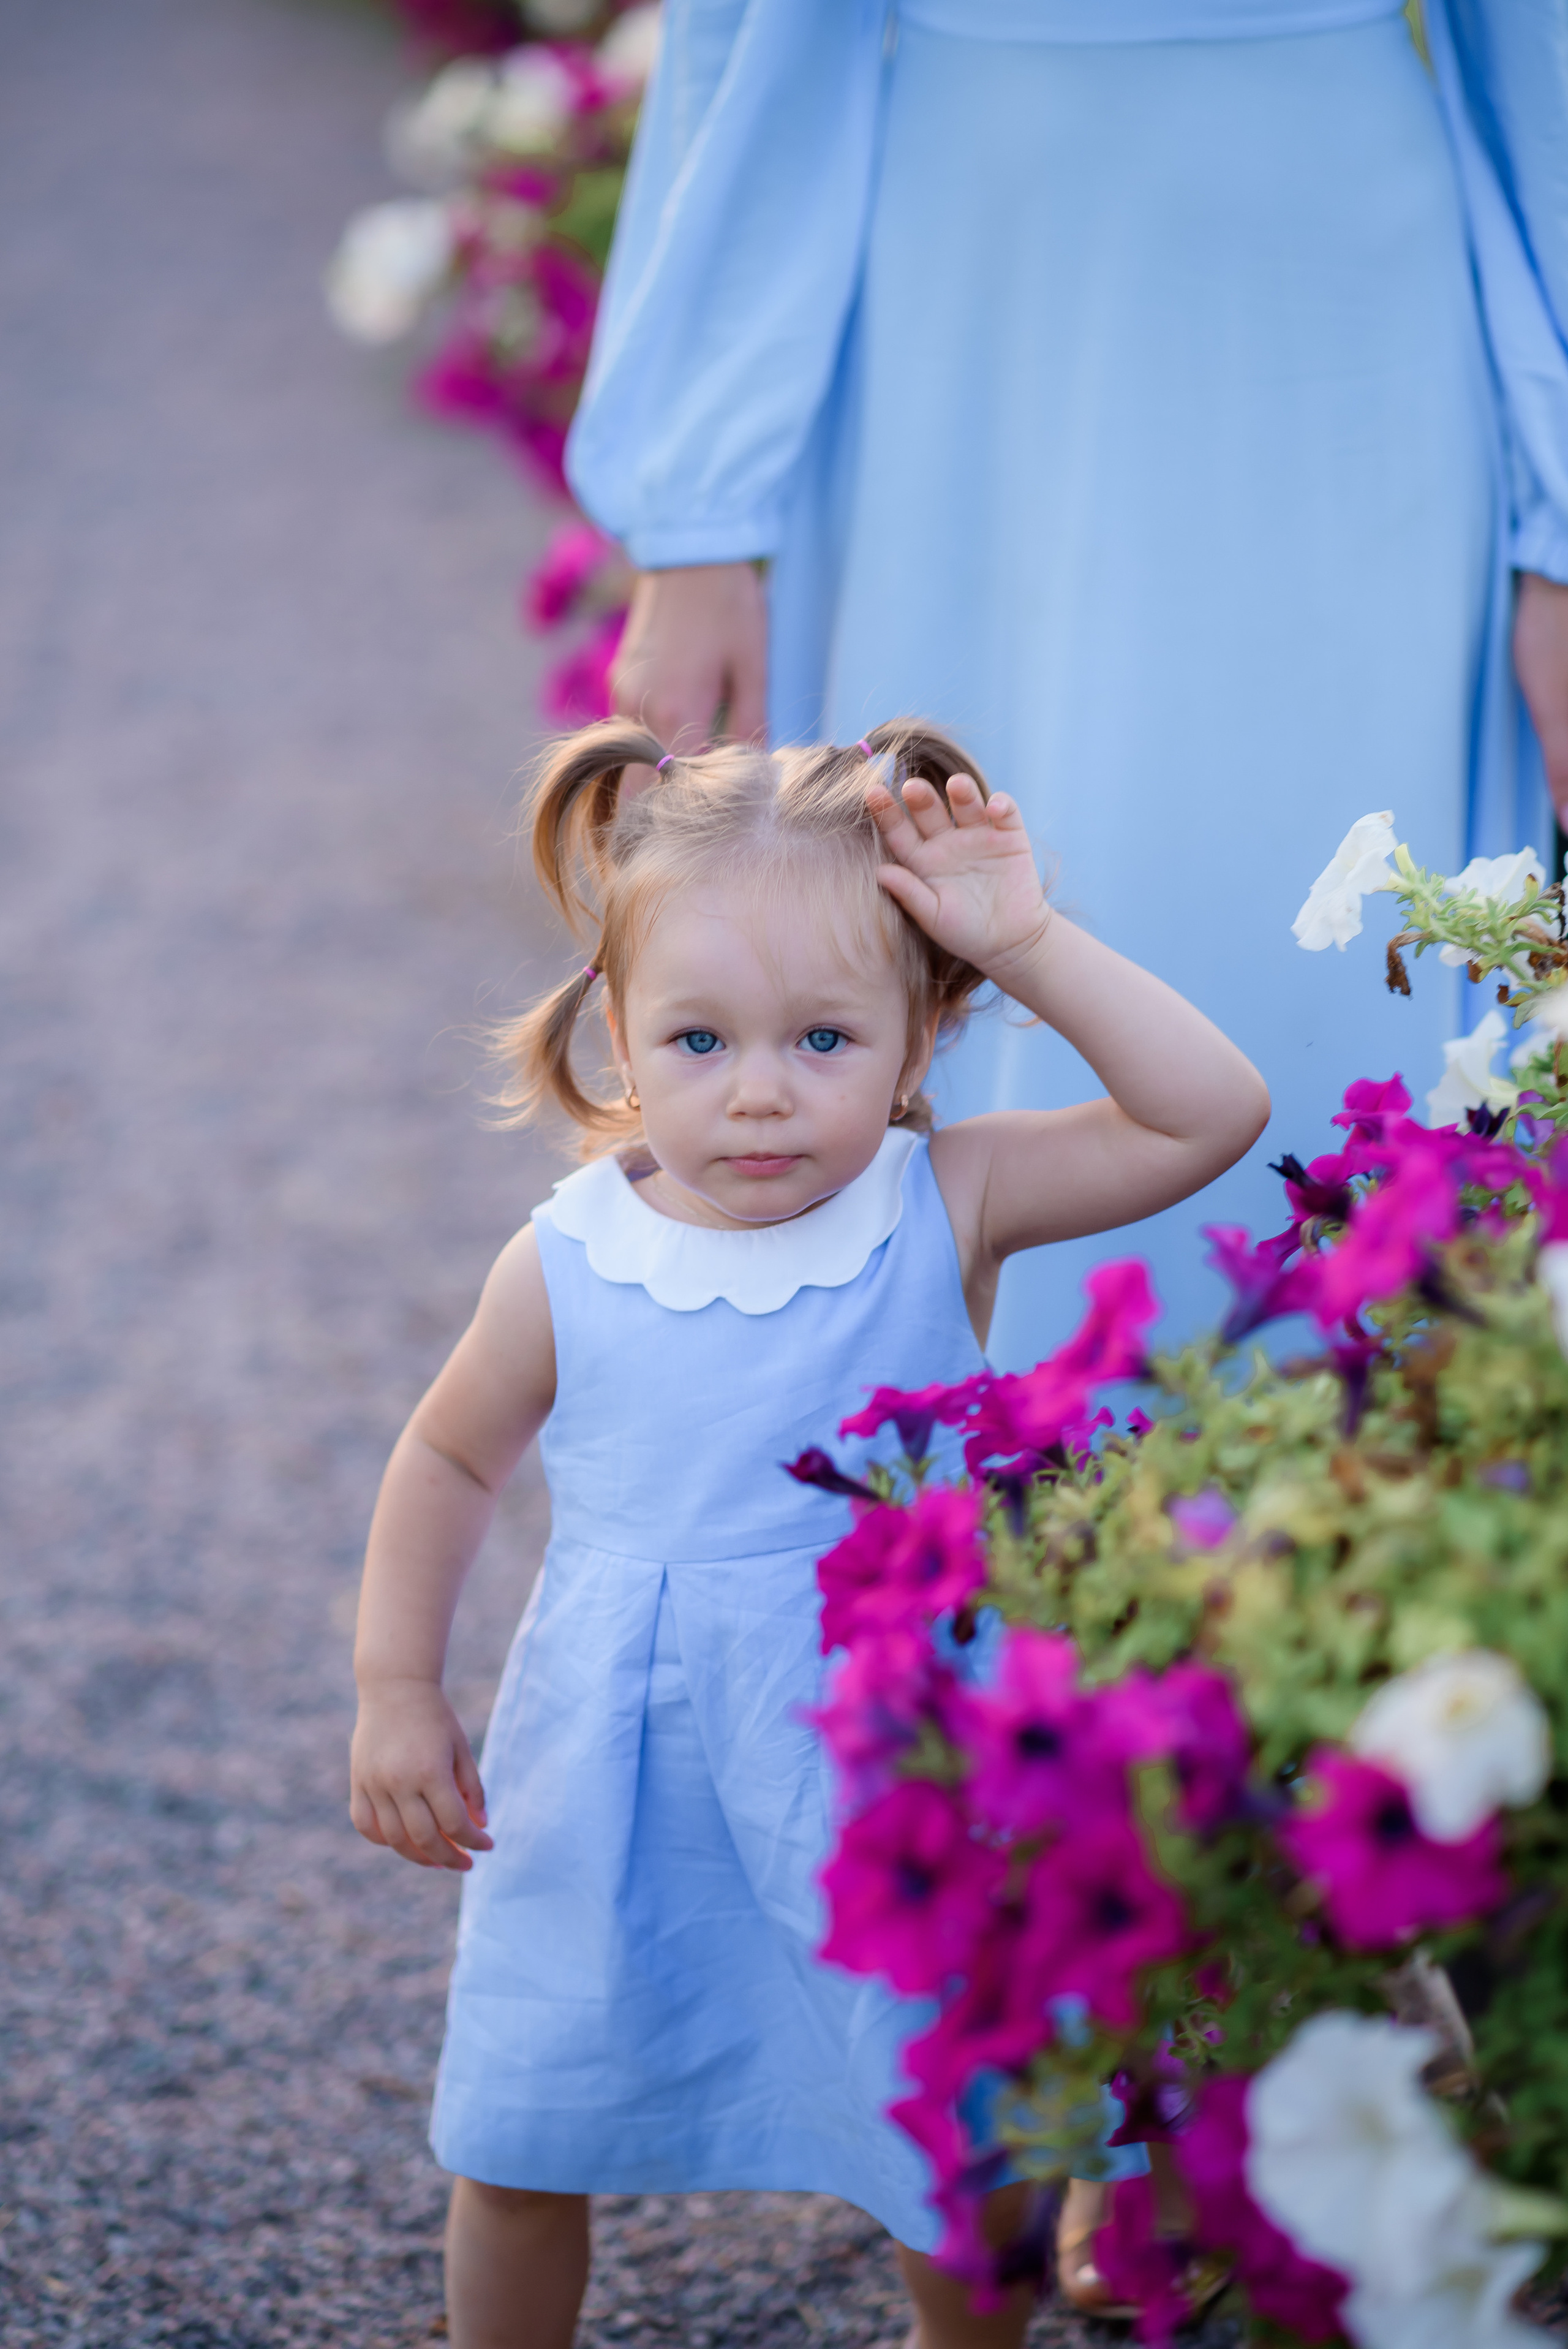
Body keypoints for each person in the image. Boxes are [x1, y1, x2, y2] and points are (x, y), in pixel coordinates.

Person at [349, 720, 1268, 2349]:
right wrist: (395, 1688)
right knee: (521, 2127)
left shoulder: (943, 1201)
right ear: (620, 1035)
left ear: (923, 1039)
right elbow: (445, 1456)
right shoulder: (567, 1259)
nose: (761, 1092)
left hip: (896, 1775)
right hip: (621, 1771)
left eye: (827, 1037)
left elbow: (1211, 1112)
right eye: (700, 1040)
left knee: (942, 2137)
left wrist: (1027, 942)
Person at [564, 0, 1568, 1371]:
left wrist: (1559, 535)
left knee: (1336, 927)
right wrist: (695, 518)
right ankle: (962, 1508)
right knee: (928, 919)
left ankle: (1355, 1517)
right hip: (961, 297)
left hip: (1340, 300)